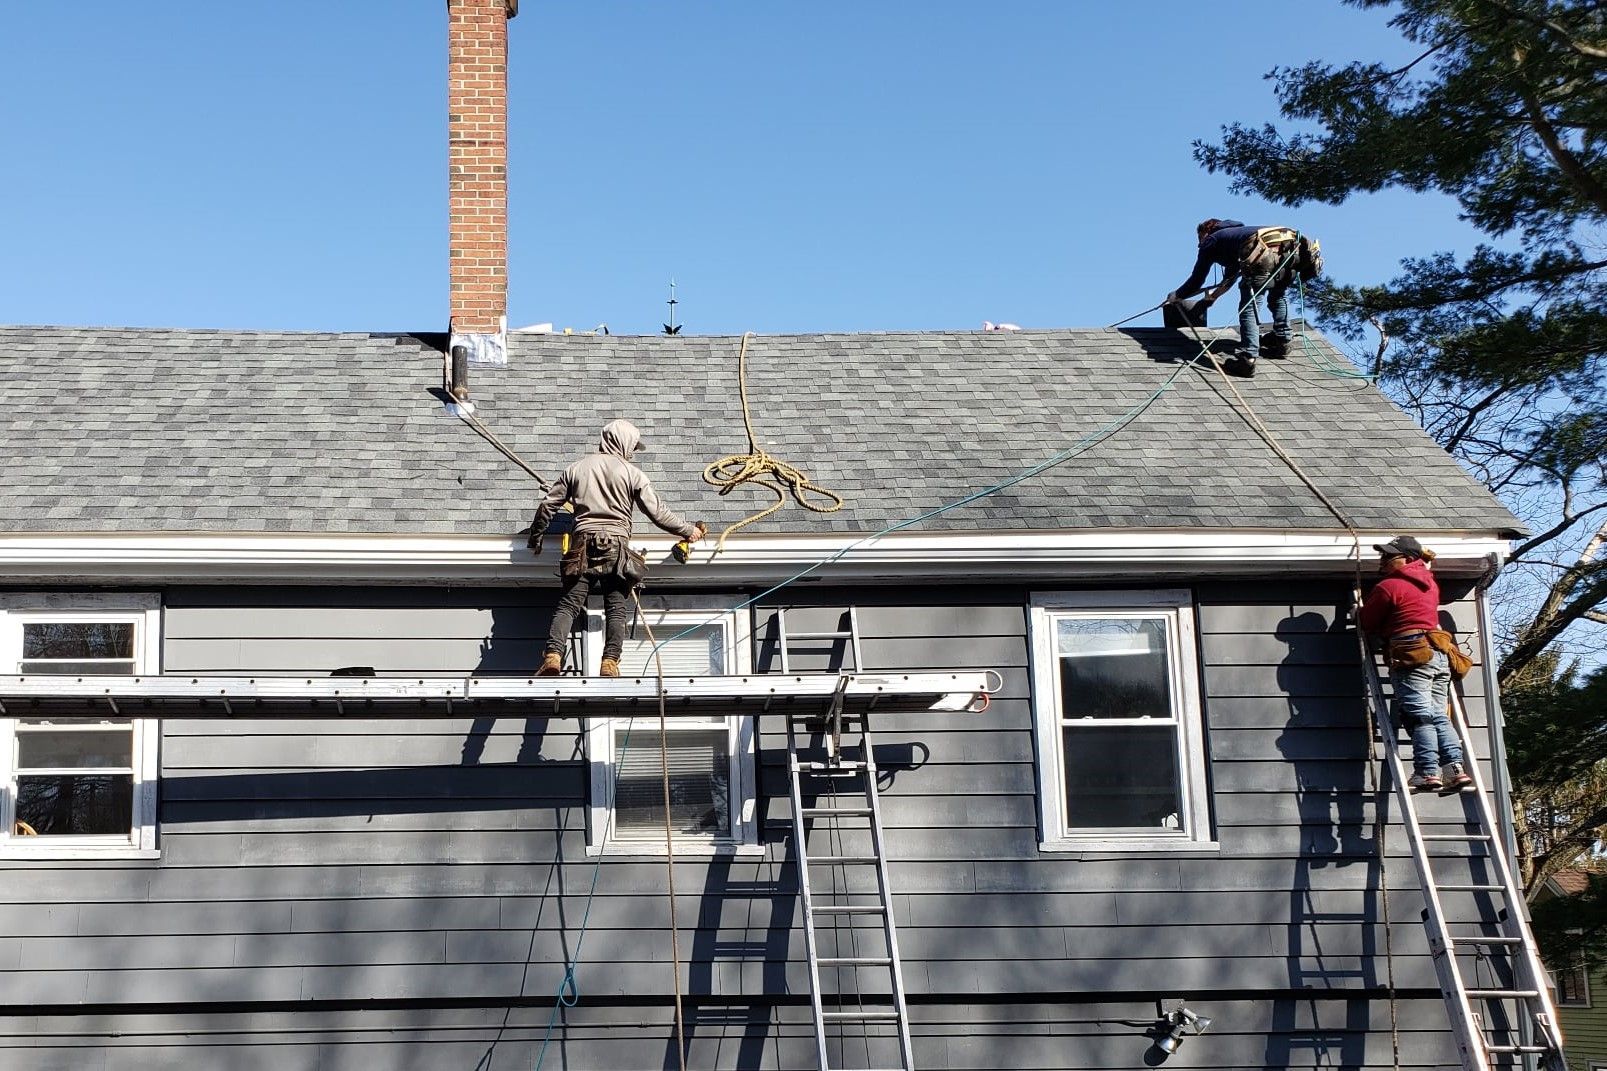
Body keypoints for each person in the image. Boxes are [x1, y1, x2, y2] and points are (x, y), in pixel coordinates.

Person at [527, 419, 706, 677]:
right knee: (616, 606)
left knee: (568, 604)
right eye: (633, 446)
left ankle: (553, 658)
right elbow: (658, 512)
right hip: (617, 548)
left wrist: (536, 538)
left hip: (581, 547)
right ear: (624, 443)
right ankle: (609, 663)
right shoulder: (632, 474)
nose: (632, 452)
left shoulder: (576, 469)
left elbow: (547, 506)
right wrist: (689, 530)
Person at [1358, 535, 1475, 794]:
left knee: (1420, 718)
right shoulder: (1429, 583)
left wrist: (1360, 610)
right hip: (1439, 653)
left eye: (1390, 556)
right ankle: (1455, 770)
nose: (1383, 561)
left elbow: (1368, 621)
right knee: (1438, 717)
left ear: (1407, 559)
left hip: (1412, 655)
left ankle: (1427, 772)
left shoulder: (1389, 587)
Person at [1164, 218, 1298, 379]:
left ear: (1207, 231)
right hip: (1292, 249)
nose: (1200, 244)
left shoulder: (1212, 240)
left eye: (1200, 239)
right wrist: (1212, 298)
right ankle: (1282, 341)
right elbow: (1229, 279)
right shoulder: (1237, 237)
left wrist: (1177, 295)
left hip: (1265, 255)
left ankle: (1247, 359)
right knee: (1277, 295)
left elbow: (1197, 280)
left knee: (1249, 305)